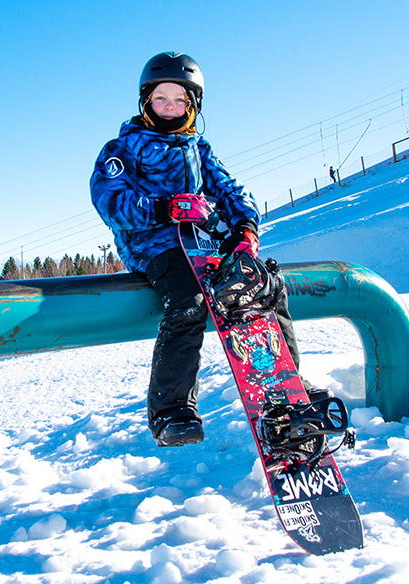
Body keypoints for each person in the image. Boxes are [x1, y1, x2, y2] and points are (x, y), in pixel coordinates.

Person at [90, 52, 308, 447]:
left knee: (263, 285)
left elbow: (229, 189)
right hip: (153, 243)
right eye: (161, 99)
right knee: (188, 301)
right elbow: (109, 201)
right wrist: (162, 208)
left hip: (202, 240)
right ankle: (170, 409)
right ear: (145, 102)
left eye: (180, 100)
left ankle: (286, 390)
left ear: (193, 106)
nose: (170, 108)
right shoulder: (122, 149)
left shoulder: (198, 147)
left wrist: (245, 227)